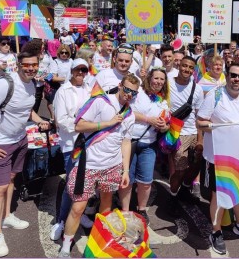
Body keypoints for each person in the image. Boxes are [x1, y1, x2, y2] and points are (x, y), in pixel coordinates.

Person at [0, 50, 51, 257]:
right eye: (26, 65)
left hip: (20, 139)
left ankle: (7, 215)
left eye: (34, 65)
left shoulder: (32, 84)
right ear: (18, 64)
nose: (30, 68)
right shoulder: (5, 83)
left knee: (11, 179)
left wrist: (39, 120)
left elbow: (26, 110)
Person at [57, 73, 136, 258]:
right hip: (88, 164)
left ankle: (99, 240)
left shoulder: (129, 114)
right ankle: (66, 246)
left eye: (134, 92)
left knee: (106, 205)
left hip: (112, 165)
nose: (129, 95)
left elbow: (126, 142)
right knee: (78, 208)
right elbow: (79, 125)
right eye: (127, 89)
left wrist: (125, 170)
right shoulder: (101, 101)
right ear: (120, 85)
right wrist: (107, 123)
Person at [196, 63, 239, 254]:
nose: (237, 80)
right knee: (219, 194)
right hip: (217, 157)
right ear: (227, 75)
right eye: (233, 75)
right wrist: (218, 129)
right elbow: (200, 121)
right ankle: (216, 232)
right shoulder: (215, 95)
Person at [49, 58, 91, 242]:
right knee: (71, 185)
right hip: (71, 144)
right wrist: (84, 125)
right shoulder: (63, 92)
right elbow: (62, 121)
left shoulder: (90, 89)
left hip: (89, 142)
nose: (81, 73)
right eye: (78, 70)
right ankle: (60, 220)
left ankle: (78, 213)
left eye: (84, 70)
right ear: (72, 71)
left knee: (84, 182)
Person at [121, 67, 170, 222]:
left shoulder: (163, 101)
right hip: (130, 141)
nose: (159, 82)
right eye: (156, 78)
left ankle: (141, 209)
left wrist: (163, 126)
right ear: (149, 78)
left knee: (146, 181)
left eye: (162, 79)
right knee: (127, 179)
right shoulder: (139, 93)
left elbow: (167, 124)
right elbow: (126, 112)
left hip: (149, 145)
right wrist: (149, 119)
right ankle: (125, 210)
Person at [166, 55, 204, 203]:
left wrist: (200, 140)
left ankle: (185, 189)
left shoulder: (198, 89)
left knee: (197, 166)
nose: (186, 69)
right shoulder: (168, 84)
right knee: (180, 169)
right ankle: (173, 196)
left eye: (190, 67)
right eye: (184, 66)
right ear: (179, 65)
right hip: (177, 132)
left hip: (194, 132)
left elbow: (199, 117)